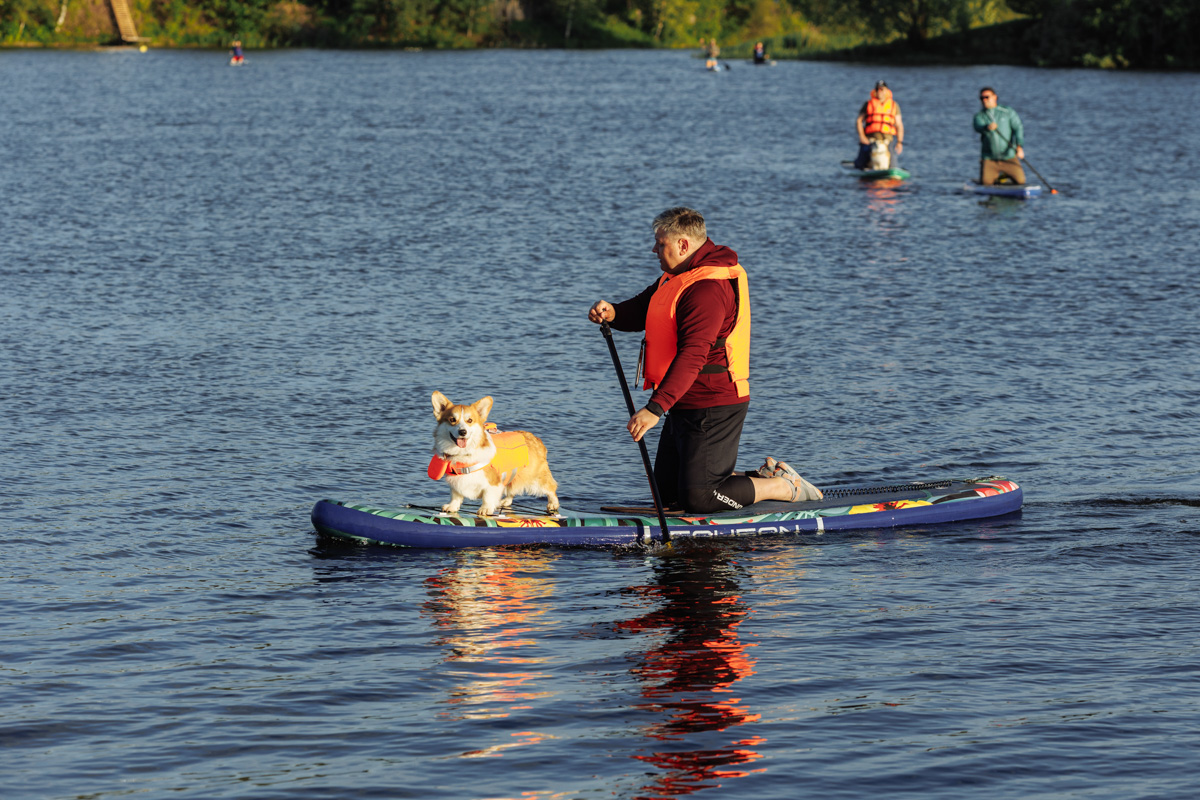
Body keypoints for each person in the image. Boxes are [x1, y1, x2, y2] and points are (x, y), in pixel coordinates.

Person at [587, 207, 823, 514]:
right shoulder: (678, 277)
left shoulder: (707, 290)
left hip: (714, 403)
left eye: (661, 244)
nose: (654, 250)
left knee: (700, 498)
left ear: (683, 245)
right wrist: (614, 313)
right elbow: (646, 308)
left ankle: (782, 486)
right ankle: (747, 478)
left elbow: (693, 355)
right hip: (684, 398)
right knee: (668, 499)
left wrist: (654, 409)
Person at [973, 87, 1026, 185]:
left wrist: (1019, 146)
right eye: (981, 98)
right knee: (986, 183)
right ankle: (995, 177)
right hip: (989, 158)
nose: (984, 100)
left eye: (987, 97)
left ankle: (1005, 176)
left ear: (995, 97)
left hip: (1009, 157)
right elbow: (977, 127)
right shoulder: (979, 115)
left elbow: (1018, 128)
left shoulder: (1007, 112)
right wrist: (987, 127)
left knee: (1021, 181)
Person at [853, 80, 904, 170]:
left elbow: (899, 125)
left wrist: (899, 142)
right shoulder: (868, 104)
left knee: (893, 165)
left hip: (887, 140)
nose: (879, 92)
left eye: (881, 89)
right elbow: (859, 121)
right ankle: (860, 165)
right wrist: (862, 137)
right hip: (870, 139)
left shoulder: (894, 105)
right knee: (860, 164)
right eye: (877, 89)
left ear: (886, 91)